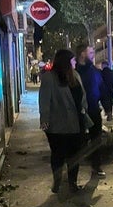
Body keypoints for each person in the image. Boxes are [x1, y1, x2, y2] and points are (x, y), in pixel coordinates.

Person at [39, 49, 88, 193]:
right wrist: (44, 120)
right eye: (72, 60)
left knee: (75, 155)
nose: (75, 62)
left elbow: (82, 96)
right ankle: (57, 181)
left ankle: (72, 182)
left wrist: (85, 109)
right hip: (57, 125)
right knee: (58, 155)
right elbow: (44, 101)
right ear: (65, 61)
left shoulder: (75, 75)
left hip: (76, 123)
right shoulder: (50, 78)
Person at [75, 44, 106, 178]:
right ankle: (73, 171)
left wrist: (107, 107)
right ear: (82, 54)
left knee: (96, 139)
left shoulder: (94, 70)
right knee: (77, 140)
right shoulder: (73, 70)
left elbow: (102, 89)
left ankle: (96, 166)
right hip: (77, 111)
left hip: (93, 109)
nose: (93, 55)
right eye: (91, 53)